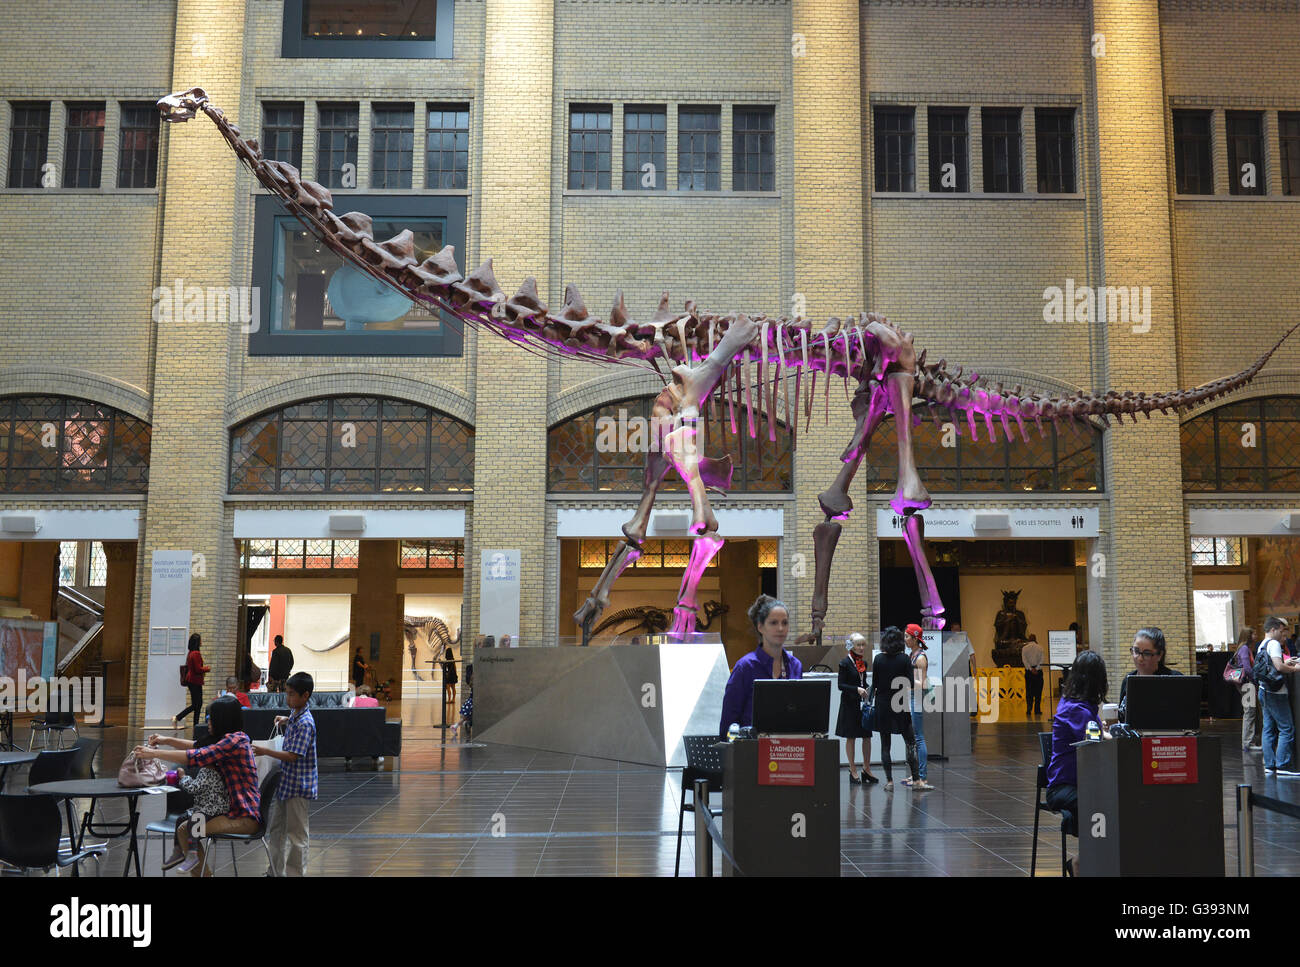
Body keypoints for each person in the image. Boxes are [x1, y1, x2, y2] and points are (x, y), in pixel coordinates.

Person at [136, 695, 260, 877]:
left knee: (187, 829)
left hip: (243, 817)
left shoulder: (233, 742)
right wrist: (166, 740)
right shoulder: (232, 739)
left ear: (222, 720)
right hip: (234, 812)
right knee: (186, 828)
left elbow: (195, 756)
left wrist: (153, 754)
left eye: (211, 719)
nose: (208, 723)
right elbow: (197, 747)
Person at [1046, 649, 1109, 876]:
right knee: (1103, 805)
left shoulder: (1074, 705)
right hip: (1063, 787)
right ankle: (1082, 862)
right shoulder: (1077, 710)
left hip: (1075, 783)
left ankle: (1089, 860)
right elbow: (1095, 740)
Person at [254, 671, 318, 876]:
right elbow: (294, 723)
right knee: (277, 830)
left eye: (292, 694)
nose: (287, 698)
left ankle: (295, 873)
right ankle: (274, 871)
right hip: (286, 784)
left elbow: (292, 756)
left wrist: (264, 751)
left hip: (298, 786)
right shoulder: (296, 717)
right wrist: (285, 720)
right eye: (287, 694)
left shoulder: (305, 722)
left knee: (297, 835)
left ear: (305, 695)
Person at [719, 595, 802, 736]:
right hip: (751, 750)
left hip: (789, 749)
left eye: (785, 623)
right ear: (760, 627)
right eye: (774, 623)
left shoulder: (795, 665)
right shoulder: (745, 667)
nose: (781, 628)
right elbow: (729, 721)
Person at [870, 626, 930, 791]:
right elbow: (910, 683)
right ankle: (917, 779)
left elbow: (874, 684)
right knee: (910, 742)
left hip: (882, 705)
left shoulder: (878, 659)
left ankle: (889, 782)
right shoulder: (904, 659)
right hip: (900, 704)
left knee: (885, 745)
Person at [1256, 616, 1299, 775]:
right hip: (1276, 692)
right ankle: (1283, 765)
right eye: (1281, 631)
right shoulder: (1273, 644)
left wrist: (1287, 663)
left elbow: (1271, 666)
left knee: (1268, 729)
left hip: (1264, 689)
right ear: (1272, 629)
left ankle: (1270, 765)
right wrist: (1295, 668)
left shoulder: (1262, 644)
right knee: (1286, 728)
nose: (1283, 635)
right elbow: (1279, 667)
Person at [1116, 627, 1182, 723]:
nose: (1139, 658)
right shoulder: (1128, 679)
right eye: (1136, 651)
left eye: (1147, 653)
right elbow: (1122, 718)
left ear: (1159, 655)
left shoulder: (1175, 679)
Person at [836, 634, 878, 784]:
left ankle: (866, 768)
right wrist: (857, 689)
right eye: (858, 645)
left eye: (863, 645)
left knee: (867, 736)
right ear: (851, 646)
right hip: (849, 704)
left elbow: (863, 681)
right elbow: (841, 685)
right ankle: (852, 769)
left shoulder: (863, 663)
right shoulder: (844, 663)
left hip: (862, 704)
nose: (861, 648)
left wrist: (868, 688)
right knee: (851, 737)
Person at [904, 623, 933, 788]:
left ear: (915, 639)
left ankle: (922, 776)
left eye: (907, 637)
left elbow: (922, 684)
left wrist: (906, 677)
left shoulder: (920, 658)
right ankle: (916, 774)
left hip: (917, 698)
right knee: (914, 738)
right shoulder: (911, 655)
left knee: (919, 738)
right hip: (911, 697)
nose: (905, 640)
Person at [1230, 627, 1261, 752]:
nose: (1256, 635)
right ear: (1248, 636)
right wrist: (1255, 680)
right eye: (1253, 633)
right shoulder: (1244, 649)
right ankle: (1248, 743)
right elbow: (1247, 669)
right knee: (1249, 712)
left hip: (1247, 684)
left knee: (1251, 712)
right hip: (1247, 684)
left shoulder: (1245, 648)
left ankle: (1250, 741)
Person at [172, 633, 211, 730]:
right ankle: (178, 717)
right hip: (195, 681)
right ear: (197, 642)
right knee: (197, 704)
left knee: (197, 704)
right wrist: (206, 668)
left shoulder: (190, 653)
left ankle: (195, 725)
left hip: (191, 681)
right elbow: (198, 669)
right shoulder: (196, 654)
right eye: (200, 640)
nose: (202, 642)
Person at [1022, 633, 1046, 716]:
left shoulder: (1024, 648)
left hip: (1029, 672)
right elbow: (1042, 660)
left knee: (1029, 691)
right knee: (1038, 691)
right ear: (1035, 639)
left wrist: (1030, 669)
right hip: (1038, 672)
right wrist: (1036, 668)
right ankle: (1037, 710)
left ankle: (1029, 709)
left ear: (1029, 639)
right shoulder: (1040, 647)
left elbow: (1024, 660)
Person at [442, 648, 459, 721]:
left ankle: (449, 699)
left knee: (448, 687)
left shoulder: (448, 660)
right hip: (453, 674)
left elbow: (445, 668)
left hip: (449, 675)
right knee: (453, 687)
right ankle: (453, 699)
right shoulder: (453, 660)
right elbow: (455, 668)